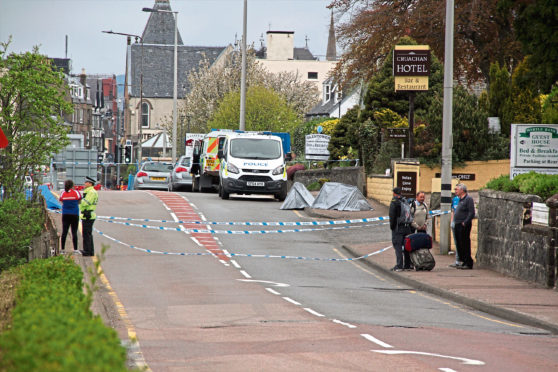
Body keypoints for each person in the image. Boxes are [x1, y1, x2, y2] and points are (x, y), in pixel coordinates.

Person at [389, 187, 413, 271]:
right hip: (407, 227)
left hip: (398, 228)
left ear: (394, 193)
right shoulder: (405, 201)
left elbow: (392, 216)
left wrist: (392, 227)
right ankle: (407, 265)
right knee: (406, 246)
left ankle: (399, 265)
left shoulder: (394, 202)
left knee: (398, 246)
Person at [452, 183, 475, 269]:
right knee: (459, 243)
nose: (455, 191)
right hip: (457, 224)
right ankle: (463, 261)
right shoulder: (460, 199)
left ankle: (468, 262)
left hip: (463, 224)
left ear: (462, 190)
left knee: (465, 243)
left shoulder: (468, 199)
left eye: (456, 189)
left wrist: (465, 222)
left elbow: (471, 212)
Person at [59, 179, 82, 253]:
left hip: (65, 214)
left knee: (64, 232)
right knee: (74, 232)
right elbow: (79, 201)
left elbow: (61, 200)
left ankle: (62, 249)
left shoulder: (63, 193)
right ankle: (75, 249)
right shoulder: (76, 192)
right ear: (72, 185)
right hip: (74, 214)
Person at [80, 176, 99, 257]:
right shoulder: (89, 191)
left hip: (88, 214)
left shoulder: (91, 192)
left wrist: (80, 200)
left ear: (90, 183)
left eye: (86, 182)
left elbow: (86, 202)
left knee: (86, 234)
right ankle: (89, 250)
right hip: (86, 214)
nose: (85, 184)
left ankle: (87, 251)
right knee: (87, 234)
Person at [449, 193, 463, 268]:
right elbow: (453, 211)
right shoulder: (454, 199)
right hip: (455, 223)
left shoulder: (465, 200)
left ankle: (462, 260)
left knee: (462, 242)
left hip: (461, 223)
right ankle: (457, 260)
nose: (455, 191)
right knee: (456, 242)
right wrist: (452, 221)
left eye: (457, 190)